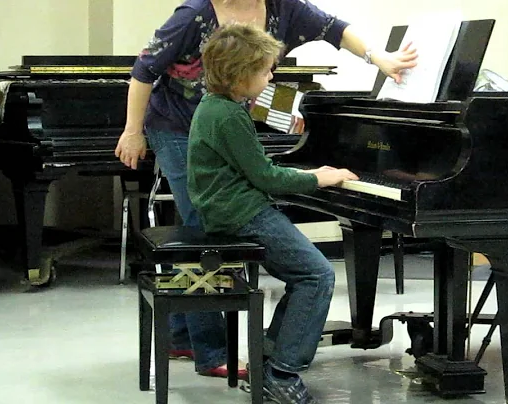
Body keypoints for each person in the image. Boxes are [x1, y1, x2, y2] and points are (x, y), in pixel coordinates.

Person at [115, 0, 417, 381]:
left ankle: (181, 333)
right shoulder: (193, 15)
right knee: (203, 228)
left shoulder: (282, 11)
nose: (272, 74)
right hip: (175, 123)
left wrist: (380, 58)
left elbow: (334, 29)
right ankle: (211, 353)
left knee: (207, 225)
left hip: (221, 111)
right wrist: (132, 131)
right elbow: (144, 70)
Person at [188, 22, 357, 403]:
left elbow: (255, 166)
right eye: (265, 70)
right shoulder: (230, 116)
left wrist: (303, 174)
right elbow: (266, 177)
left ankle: (267, 359)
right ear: (239, 75)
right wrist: (318, 178)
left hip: (229, 207)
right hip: (241, 213)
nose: (271, 76)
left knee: (305, 275)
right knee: (317, 275)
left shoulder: (215, 106)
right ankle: (281, 372)